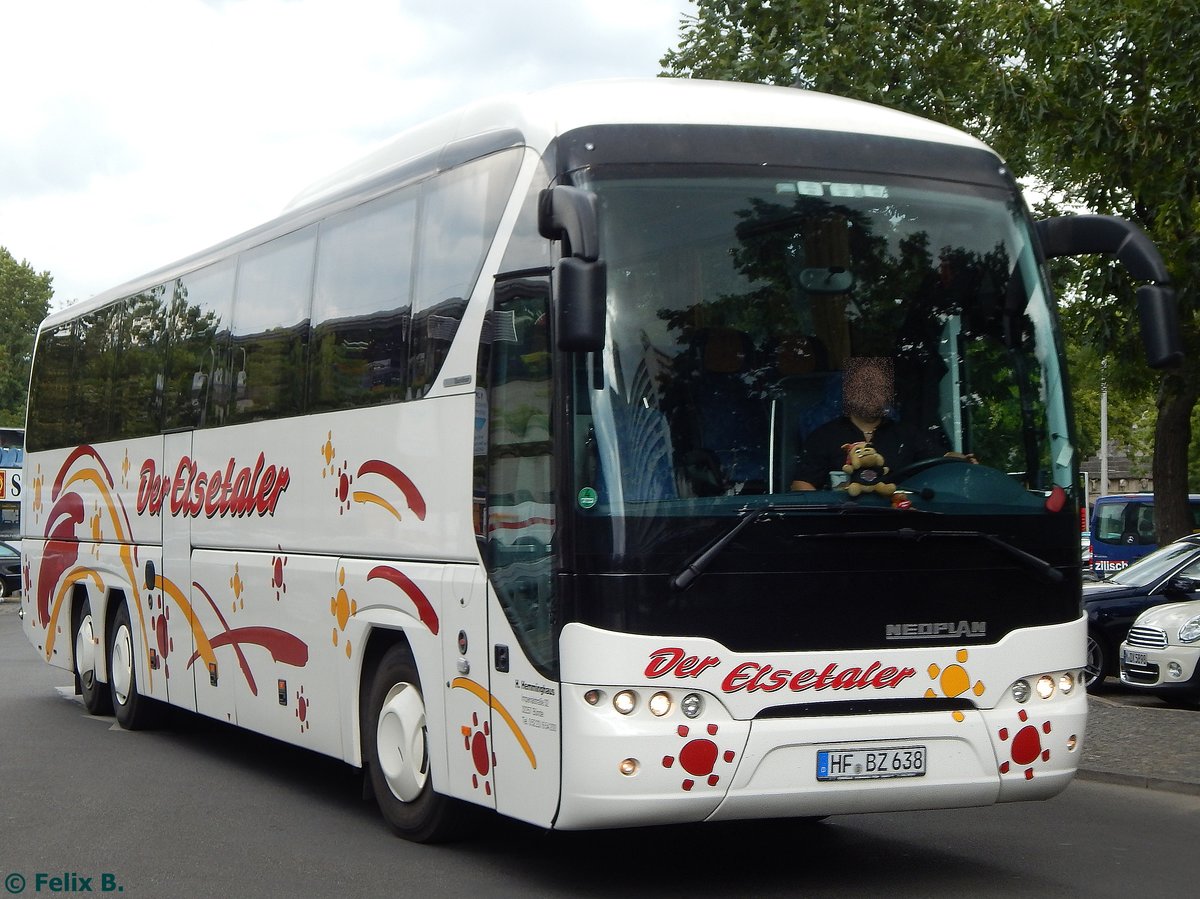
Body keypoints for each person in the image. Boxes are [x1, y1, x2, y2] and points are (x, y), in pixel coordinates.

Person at [791, 357, 972, 491]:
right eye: (864, 387)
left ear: (887, 395)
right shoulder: (824, 436)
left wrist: (963, 461)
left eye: (878, 387)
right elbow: (801, 484)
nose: (871, 393)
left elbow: (944, 458)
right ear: (848, 393)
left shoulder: (906, 433)